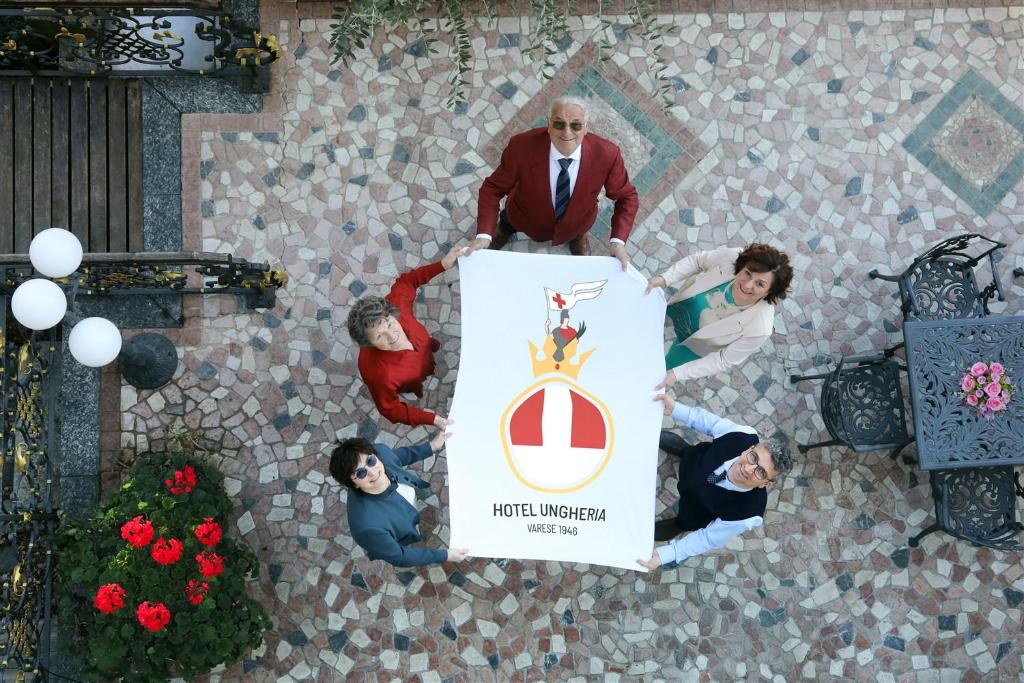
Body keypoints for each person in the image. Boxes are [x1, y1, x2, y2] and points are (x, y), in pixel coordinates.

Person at [465, 95, 639, 270]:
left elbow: (627, 197)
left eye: (576, 125)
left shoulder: (608, 154)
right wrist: (484, 234)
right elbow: (493, 188)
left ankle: (577, 237)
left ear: (586, 127)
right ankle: (503, 230)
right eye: (559, 124)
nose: (567, 133)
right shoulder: (521, 146)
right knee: (508, 222)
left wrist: (618, 242)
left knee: (577, 231)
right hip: (522, 215)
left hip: (578, 222)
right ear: (549, 125)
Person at [637, 394, 793, 571]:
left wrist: (669, 554)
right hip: (695, 460)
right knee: (689, 454)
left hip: (697, 510)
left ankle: (679, 524)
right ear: (749, 449)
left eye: (761, 472)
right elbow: (711, 424)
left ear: (765, 483)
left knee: (687, 520)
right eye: (753, 457)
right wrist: (676, 409)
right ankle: (683, 450)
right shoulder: (743, 436)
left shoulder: (747, 515)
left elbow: (707, 538)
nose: (748, 469)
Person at [347, 245, 464, 428]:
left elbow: (407, 282)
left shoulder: (397, 305)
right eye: (379, 336)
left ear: (390, 313)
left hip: (426, 352)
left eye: (389, 323)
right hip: (410, 380)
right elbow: (391, 410)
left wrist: (442, 264)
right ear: (368, 343)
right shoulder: (379, 375)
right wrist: (432, 419)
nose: (392, 335)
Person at [646, 243, 793, 387]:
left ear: (770, 292)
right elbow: (699, 261)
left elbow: (724, 359)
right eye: (748, 273)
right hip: (678, 308)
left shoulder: (760, 328)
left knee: (660, 374)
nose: (747, 285)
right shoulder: (733, 257)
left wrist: (676, 374)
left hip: (694, 345)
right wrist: (665, 278)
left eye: (760, 284)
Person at [329, 428, 468, 567]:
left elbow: (397, 457)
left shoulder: (380, 452)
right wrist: (445, 555)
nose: (373, 472)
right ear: (353, 484)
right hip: (398, 539)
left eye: (370, 461)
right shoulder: (368, 528)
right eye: (360, 473)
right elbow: (401, 557)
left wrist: (431, 447)